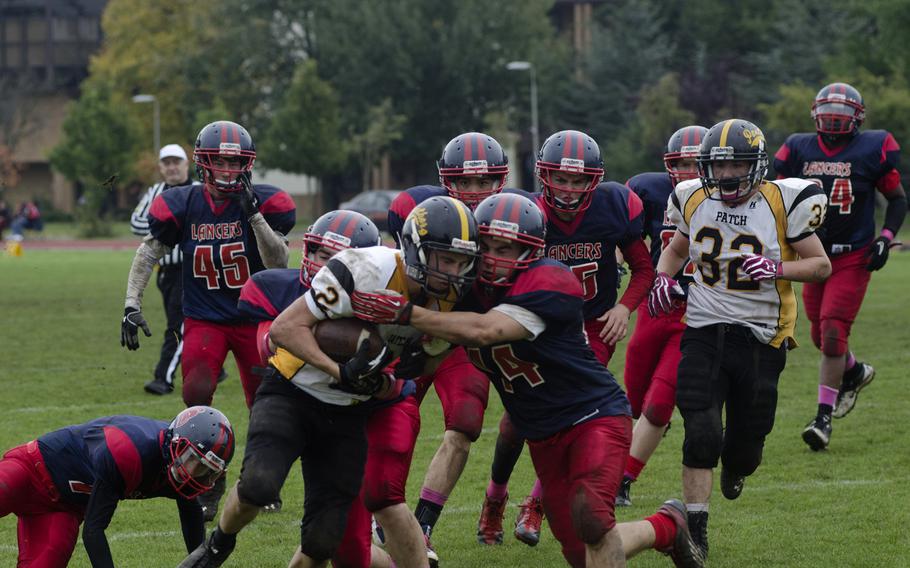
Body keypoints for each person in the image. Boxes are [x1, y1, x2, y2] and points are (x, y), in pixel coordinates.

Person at [351, 192, 703, 568]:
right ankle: (666, 526)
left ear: (532, 251)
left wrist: (408, 315)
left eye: (509, 247)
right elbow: (429, 357)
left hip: (593, 416)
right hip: (542, 433)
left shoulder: (551, 280)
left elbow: (487, 330)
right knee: (585, 554)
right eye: (488, 245)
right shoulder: (464, 292)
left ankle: (665, 526)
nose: (495, 256)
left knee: (593, 521)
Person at [179, 196, 478, 568]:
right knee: (259, 485)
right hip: (292, 389)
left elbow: (422, 362)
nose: (454, 272)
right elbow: (285, 329)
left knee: (323, 542)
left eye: (462, 262)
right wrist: (342, 372)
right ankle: (217, 545)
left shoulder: (451, 301)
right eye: (445, 260)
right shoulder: (366, 269)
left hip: (347, 412)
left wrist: (385, 380)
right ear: (416, 250)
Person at [651, 118, 831, 557]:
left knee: (746, 448)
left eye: (737, 165)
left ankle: (737, 466)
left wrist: (777, 268)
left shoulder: (784, 202)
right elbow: (676, 248)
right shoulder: (692, 197)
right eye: (720, 165)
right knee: (702, 429)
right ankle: (695, 528)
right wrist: (661, 279)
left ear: (758, 165)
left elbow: (821, 266)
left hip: (761, 336)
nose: (727, 175)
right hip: (704, 327)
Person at [477, 130, 654, 547]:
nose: (569, 189)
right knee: (515, 421)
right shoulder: (529, 214)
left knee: (568, 413)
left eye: (578, 180)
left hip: (592, 325)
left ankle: (535, 505)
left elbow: (643, 268)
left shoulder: (614, 205)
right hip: (537, 323)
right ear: (543, 175)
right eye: (562, 178)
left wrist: (624, 307)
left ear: (595, 179)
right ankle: (495, 498)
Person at [119, 120, 295, 521]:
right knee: (195, 395)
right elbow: (148, 254)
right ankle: (210, 482)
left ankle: (260, 480)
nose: (229, 170)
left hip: (254, 318)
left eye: (236, 162)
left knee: (265, 404)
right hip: (204, 317)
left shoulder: (263, 202)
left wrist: (254, 217)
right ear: (204, 163)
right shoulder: (183, 203)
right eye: (221, 161)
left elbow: (279, 262)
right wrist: (131, 303)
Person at [384, 132, 510, 559]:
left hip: (461, 340)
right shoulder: (416, 210)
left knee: (467, 422)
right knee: (396, 425)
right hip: (411, 334)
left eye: (484, 182)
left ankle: (421, 526)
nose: (475, 193)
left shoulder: (505, 219)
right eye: (465, 182)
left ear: (501, 181)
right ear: (445, 180)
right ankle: (382, 515)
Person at [772, 82, 907, 451]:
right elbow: (776, 196)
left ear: (858, 118)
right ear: (815, 113)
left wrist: (886, 236)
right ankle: (855, 371)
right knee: (821, 336)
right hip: (815, 254)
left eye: (844, 113)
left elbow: (896, 198)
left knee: (832, 332)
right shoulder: (798, 147)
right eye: (830, 111)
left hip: (853, 255)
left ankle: (822, 418)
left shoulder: (873, 147)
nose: (835, 118)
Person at [0, 406, 234, 567]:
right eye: (193, 460)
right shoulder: (129, 450)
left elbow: (191, 515)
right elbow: (94, 530)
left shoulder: (178, 468)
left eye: (207, 470)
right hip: (30, 469)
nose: (195, 474)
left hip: (64, 509)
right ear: (176, 443)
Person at [618, 125, 707, 506]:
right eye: (681, 162)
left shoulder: (729, 198)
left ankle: (622, 479)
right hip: (656, 305)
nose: (688, 170)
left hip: (698, 310)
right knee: (633, 401)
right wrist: (616, 260)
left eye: (694, 162)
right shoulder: (649, 189)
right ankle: (626, 454)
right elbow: (626, 239)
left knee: (657, 404)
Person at [130, 143, 197, 395]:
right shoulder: (156, 191)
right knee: (179, 321)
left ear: (186, 164)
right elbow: (136, 223)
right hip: (166, 272)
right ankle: (212, 365)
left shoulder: (199, 190)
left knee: (178, 324)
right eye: (166, 163)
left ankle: (164, 377)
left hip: (193, 269)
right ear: (160, 167)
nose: (171, 167)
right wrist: (168, 225)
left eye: (176, 162)